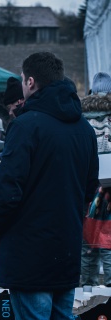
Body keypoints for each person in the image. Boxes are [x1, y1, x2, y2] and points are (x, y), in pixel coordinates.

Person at [0, 52, 99, 320]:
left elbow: (7, 189)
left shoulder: (26, 124)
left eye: (22, 81)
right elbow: (90, 187)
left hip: (29, 245)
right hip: (65, 243)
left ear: (30, 82)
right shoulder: (84, 128)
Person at [80, 71, 111, 287]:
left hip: (87, 188)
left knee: (87, 243)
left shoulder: (80, 118)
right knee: (109, 242)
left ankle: (86, 290)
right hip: (109, 190)